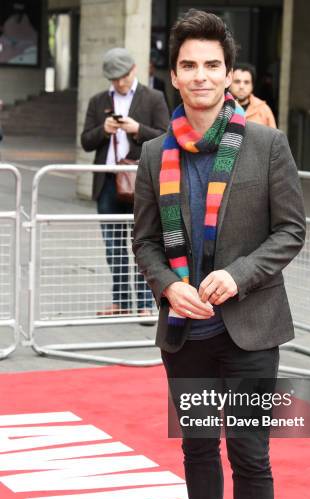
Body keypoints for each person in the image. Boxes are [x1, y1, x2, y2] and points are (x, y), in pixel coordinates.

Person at [133, 10, 305, 499]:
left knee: (251, 456)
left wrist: (238, 274)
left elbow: (290, 232)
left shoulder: (265, 144)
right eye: (189, 66)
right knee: (199, 450)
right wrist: (165, 286)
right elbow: (146, 241)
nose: (202, 76)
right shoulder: (156, 154)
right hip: (187, 331)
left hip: (252, 330)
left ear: (229, 74)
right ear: (173, 76)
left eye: (213, 65)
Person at [81, 47, 169, 321]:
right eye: (113, 78)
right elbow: (85, 141)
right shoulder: (98, 101)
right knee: (112, 245)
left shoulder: (153, 98)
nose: (118, 82)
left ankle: (145, 303)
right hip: (108, 181)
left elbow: (166, 137)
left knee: (143, 243)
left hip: (141, 182)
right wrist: (103, 130)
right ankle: (121, 300)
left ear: (133, 70)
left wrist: (137, 129)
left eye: (122, 76)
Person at [230, 63, 277, 128]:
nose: (241, 86)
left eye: (246, 82)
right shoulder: (220, 107)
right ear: (229, 83)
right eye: (237, 81)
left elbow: (273, 137)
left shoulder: (263, 109)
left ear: (252, 86)